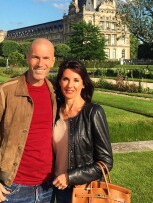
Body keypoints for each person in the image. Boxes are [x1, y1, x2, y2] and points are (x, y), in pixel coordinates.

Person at [0, 38, 57, 203]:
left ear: (53, 61)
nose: (40, 63)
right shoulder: (5, 91)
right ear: (27, 58)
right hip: (14, 186)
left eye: (46, 58)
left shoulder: (55, 91)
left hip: (48, 185)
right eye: (35, 57)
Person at [52, 59, 113, 203]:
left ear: (83, 83)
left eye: (76, 80)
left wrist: (70, 177)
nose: (70, 85)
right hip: (56, 187)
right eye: (65, 79)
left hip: (82, 190)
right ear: (60, 81)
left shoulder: (93, 112)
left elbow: (106, 162)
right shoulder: (54, 112)